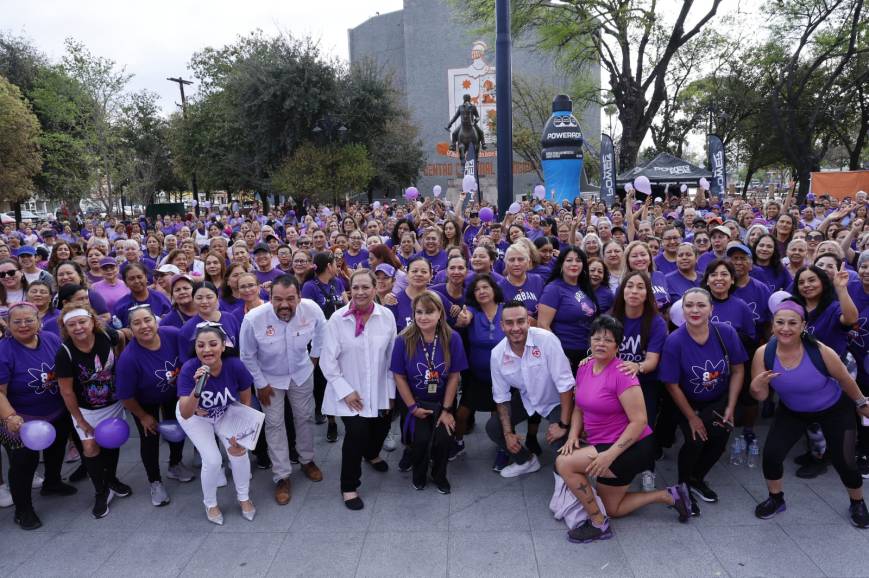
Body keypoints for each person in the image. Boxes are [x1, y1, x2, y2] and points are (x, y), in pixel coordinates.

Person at [555, 315, 692, 543]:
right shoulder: (584, 367)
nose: (600, 343)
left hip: (631, 445)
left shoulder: (623, 374)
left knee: (564, 463)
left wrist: (609, 455)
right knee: (614, 508)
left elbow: (639, 422)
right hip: (603, 442)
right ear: (589, 341)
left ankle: (598, 524)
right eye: (597, 338)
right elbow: (579, 404)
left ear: (618, 346)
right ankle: (670, 495)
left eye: (608, 340)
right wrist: (572, 435)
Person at [750, 299, 869, 527]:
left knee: (844, 461)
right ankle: (776, 499)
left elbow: (844, 378)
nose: (786, 328)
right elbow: (761, 396)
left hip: (834, 409)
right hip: (793, 411)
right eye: (780, 323)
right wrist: (756, 385)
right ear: (772, 325)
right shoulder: (763, 353)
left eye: (792, 323)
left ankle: (857, 502)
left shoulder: (821, 351)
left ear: (803, 325)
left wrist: (861, 402)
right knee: (772, 454)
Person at [239, 275, 327, 506]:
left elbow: (322, 334)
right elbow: (246, 355)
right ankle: (282, 476)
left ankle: (307, 460)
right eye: (278, 299)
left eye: (290, 299)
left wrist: (314, 359)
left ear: (299, 296)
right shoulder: (253, 319)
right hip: (269, 380)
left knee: (305, 417)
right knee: (275, 424)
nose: (284, 305)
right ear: (269, 297)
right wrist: (260, 383)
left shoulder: (312, 309)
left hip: (301, 374)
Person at [659, 288, 747, 509]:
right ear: (682, 309)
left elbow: (738, 370)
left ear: (711, 309)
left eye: (701, 305)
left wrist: (731, 405)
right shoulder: (674, 341)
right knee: (695, 440)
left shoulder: (725, 332)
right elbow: (671, 384)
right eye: (689, 305)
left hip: (719, 399)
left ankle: (696, 479)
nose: (695, 310)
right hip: (687, 402)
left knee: (719, 440)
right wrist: (691, 417)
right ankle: (682, 488)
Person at [320, 269, 397, 510]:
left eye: (366, 287)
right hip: (348, 391)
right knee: (356, 435)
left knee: (382, 426)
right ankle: (349, 486)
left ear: (376, 288)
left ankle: (372, 455)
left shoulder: (386, 317)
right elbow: (327, 360)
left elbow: (392, 356)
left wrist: (391, 392)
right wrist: (346, 391)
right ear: (349, 290)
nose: (360, 292)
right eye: (356, 288)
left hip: (379, 387)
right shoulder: (337, 319)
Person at [0, 302, 77, 530]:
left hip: (55, 410)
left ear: (39, 321)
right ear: (8, 325)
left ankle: (52, 482)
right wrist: (10, 417)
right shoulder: (4, 350)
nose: (23, 325)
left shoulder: (52, 339)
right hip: (20, 417)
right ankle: (23, 509)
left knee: (56, 447)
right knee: (24, 462)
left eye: (29, 320)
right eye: (17, 321)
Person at [55, 304, 131, 519]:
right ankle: (101, 491)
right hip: (85, 408)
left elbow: (123, 337)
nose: (78, 327)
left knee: (112, 441)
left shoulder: (106, 334)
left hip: (112, 402)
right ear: (66, 328)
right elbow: (66, 391)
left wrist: (122, 368)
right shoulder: (65, 352)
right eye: (72, 325)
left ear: (92, 322)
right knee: (90, 446)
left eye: (82, 322)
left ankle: (113, 479)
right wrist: (79, 420)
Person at [176, 322, 256, 525]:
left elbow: (246, 398)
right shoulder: (189, 369)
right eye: (200, 345)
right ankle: (210, 503)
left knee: (238, 451)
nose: (207, 349)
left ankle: (244, 498)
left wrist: (241, 431)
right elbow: (186, 413)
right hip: (195, 416)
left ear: (223, 346)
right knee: (212, 460)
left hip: (225, 412)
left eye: (212, 344)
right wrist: (197, 387)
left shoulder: (235, 365)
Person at [116, 305, 194, 507]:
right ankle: (155, 481)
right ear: (130, 328)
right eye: (137, 323)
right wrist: (142, 416)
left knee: (178, 429)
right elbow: (125, 395)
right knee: (149, 437)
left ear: (156, 321)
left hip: (173, 393)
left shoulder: (172, 334)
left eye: (147, 320)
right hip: (143, 400)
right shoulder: (128, 358)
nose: (144, 326)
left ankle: (175, 464)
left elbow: (189, 358)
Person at [487, 301, 574, 478]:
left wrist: (563, 425)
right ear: (502, 325)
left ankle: (568, 477)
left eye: (520, 321)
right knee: (494, 427)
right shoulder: (497, 354)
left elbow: (566, 385)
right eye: (509, 323)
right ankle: (526, 461)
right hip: (528, 399)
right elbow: (502, 397)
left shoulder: (547, 340)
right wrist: (508, 433)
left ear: (528, 321)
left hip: (557, 400)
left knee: (561, 444)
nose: (515, 327)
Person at [391, 291, 467, 493]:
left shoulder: (452, 338)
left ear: (440, 313)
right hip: (414, 402)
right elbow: (399, 376)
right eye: (419, 312)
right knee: (421, 441)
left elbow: (453, 376)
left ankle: (439, 475)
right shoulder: (403, 339)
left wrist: (447, 409)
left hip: (443, 402)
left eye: (429, 312)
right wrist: (412, 407)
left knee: (443, 440)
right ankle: (419, 474)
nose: (423, 317)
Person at [611, 271, 669, 490]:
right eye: (629, 286)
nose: (634, 291)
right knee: (616, 424)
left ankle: (647, 468)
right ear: (622, 290)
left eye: (640, 287)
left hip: (644, 382)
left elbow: (652, 361)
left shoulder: (655, 322)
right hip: (615, 382)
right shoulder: (612, 317)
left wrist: (638, 366)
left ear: (648, 293)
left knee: (645, 427)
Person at [538, 245, 598, 372]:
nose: (574, 264)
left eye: (578, 260)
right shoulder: (553, 289)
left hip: (587, 352)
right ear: (561, 264)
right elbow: (543, 325)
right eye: (569, 260)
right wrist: (559, 356)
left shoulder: (584, 287)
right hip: (566, 353)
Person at [178, 282, 241, 362]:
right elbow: (186, 360)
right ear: (193, 299)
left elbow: (241, 349)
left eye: (209, 297)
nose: (204, 301)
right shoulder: (187, 329)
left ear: (217, 297)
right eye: (199, 298)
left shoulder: (230, 318)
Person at [112, 263, 172, 328]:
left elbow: (172, 322)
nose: (137, 281)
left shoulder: (160, 299)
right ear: (125, 283)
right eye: (132, 279)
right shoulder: (121, 306)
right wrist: (123, 332)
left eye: (139, 277)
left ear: (146, 278)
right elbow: (114, 331)